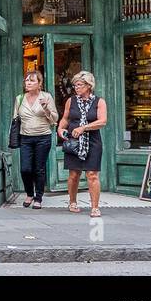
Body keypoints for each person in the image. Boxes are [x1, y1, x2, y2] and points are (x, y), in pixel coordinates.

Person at [58, 70, 106, 217]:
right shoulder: (70, 101)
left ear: (89, 85)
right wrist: (60, 128)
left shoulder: (99, 102)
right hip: (74, 141)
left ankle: (95, 207)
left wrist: (84, 127)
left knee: (92, 174)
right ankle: (72, 202)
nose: (76, 88)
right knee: (74, 174)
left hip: (93, 141)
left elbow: (102, 121)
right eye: (75, 85)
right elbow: (65, 118)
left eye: (79, 85)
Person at [15, 70, 58, 209]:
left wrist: (46, 108)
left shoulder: (46, 97)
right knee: (25, 169)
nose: (28, 83)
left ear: (39, 84)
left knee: (39, 169)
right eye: (26, 80)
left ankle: (38, 197)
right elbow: (15, 119)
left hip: (43, 137)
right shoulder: (19, 98)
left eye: (32, 80)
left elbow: (54, 119)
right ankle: (29, 193)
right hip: (25, 138)